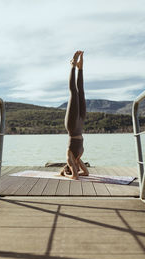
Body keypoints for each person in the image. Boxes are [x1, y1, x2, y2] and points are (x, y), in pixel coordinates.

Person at [60, 50, 89, 179]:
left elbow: (75, 177)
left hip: (72, 127)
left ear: (70, 166)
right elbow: (86, 173)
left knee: (74, 93)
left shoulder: (69, 157)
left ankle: (72, 66)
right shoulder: (78, 158)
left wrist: (64, 174)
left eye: (73, 168)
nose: (78, 168)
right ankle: (81, 69)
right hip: (80, 125)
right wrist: (77, 166)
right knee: (81, 92)